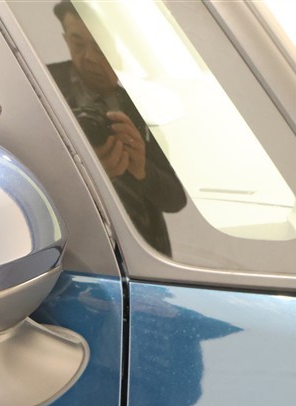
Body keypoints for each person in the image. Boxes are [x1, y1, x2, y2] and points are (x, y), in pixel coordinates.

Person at [50, 0, 186, 256]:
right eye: (77, 43)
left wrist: (142, 170)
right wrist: (81, 172)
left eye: (101, 47)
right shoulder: (43, 89)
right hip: (70, 249)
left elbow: (175, 199)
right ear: (65, 39)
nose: (89, 58)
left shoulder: (145, 102)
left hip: (140, 252)